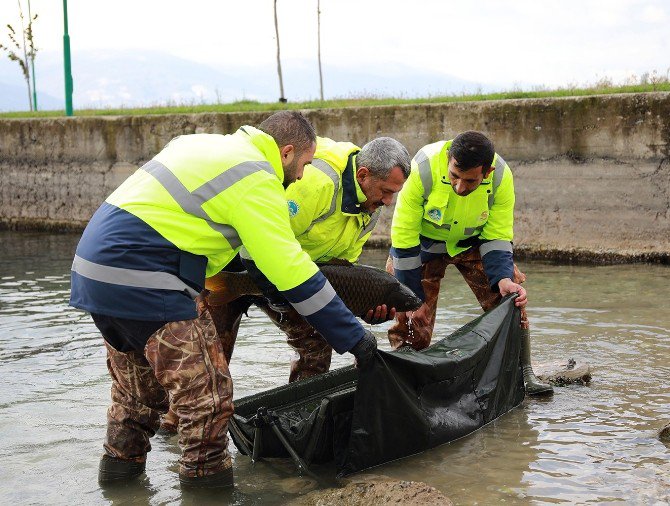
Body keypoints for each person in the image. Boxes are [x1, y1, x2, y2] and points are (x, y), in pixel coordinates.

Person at [69, 111, 379, 489]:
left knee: (137, 399)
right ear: (286, 152)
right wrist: (355, 339)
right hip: (146, 276)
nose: (301, 176)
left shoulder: (201, 143)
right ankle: (208, 495)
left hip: (92, 270)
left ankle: (118, 487)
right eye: (304, 164)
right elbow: (290, 268)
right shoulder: (256, 178)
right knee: (208, 405)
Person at [196, 135, 411, 386]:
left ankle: (299, 415)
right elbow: (257, 240)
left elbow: (342, 272)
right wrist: (273, 291)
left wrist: (363, 309)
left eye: (393, 194)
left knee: (318, 346)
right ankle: (178, 423)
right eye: (386, 192)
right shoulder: (316, 183)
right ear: (363, 175)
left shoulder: (370, 209)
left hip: (293, 279)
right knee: (208, 363)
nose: (389, 202)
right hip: (236, 265)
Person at [386, 130, 553, 396]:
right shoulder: (423, 168)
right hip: (423, 246)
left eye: (470, 181)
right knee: (410, 314)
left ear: (486, 172)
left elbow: (497, 234)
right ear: (449, 160)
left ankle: (523, 371)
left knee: (511, 299)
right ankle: (408, 380)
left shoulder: (500, 177)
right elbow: (403, 236)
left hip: (474, 243)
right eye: (454, 176)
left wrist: (504, 278)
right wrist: (412, 297)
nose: (460, 187)